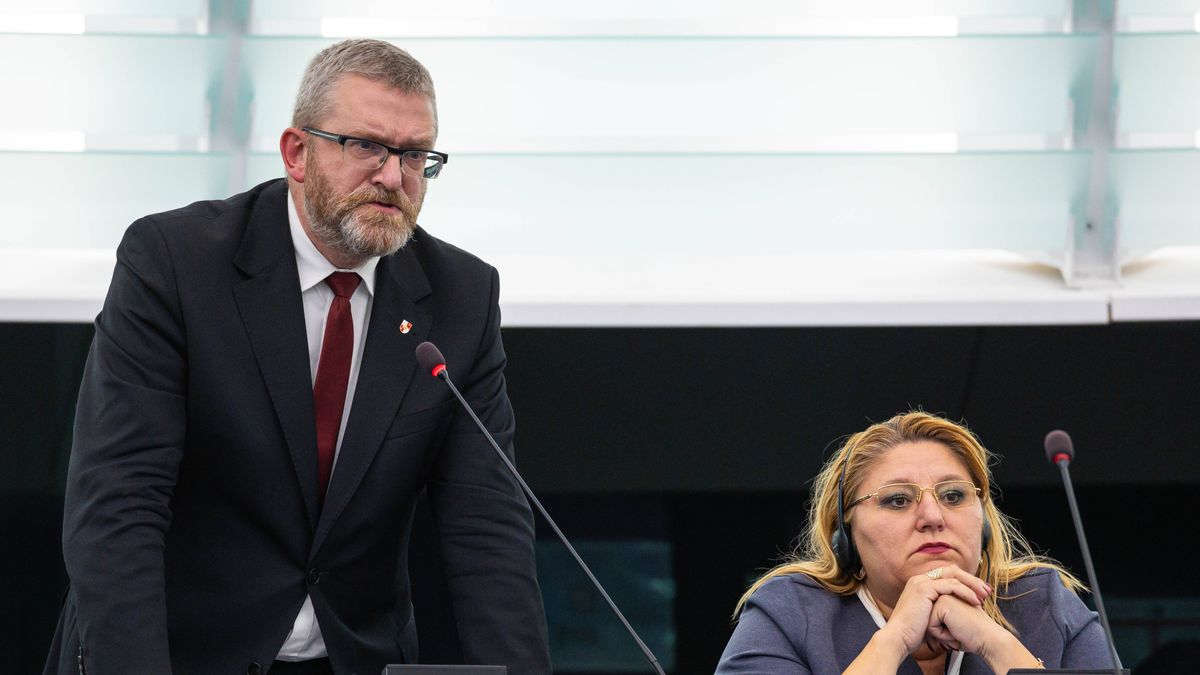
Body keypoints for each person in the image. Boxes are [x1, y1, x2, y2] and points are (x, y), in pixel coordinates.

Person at [45, 39, 551, 675]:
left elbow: (488, 535)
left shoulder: (460, 297)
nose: (393, 177)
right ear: (297, 153)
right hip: (178, 653)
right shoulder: (176, 263)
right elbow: (118, 506)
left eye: (416, 154)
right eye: (366, 145)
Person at [717, 411, 1112, 674]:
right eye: (897, 500)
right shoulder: (790, 611)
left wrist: (996, 644)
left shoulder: (1041, 601)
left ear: (984, 520)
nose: (933, 517)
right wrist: (895, 638)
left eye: (954, 495)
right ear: (845, 531)